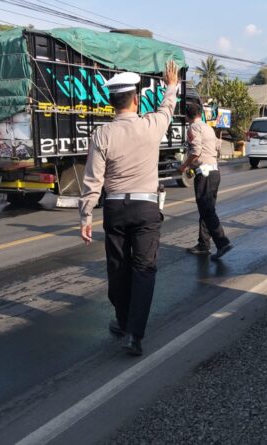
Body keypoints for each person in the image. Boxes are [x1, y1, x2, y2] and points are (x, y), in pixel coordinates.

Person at [79, 60, 180, 356]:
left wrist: (85, 217)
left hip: (114, 209)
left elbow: (92, 180)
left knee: (118, 269)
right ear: (136, 99)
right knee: (144, 270)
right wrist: (170, 85)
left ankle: (123, 322)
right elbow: (167, 109)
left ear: (112, 102)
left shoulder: (101, 135)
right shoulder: (151, 125)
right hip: (146, 209)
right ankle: (134, 334)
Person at [179, 103, 233, 260]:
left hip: (205, 174)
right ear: (200, 113)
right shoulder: (208, 128)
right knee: (206, 208)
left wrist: (184, 165)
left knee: (207, 210)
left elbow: (195, 151)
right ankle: (204, 243)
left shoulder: (193, 128)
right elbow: (217, 146)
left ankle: (222, 243)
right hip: (214, 172)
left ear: (187, 116)